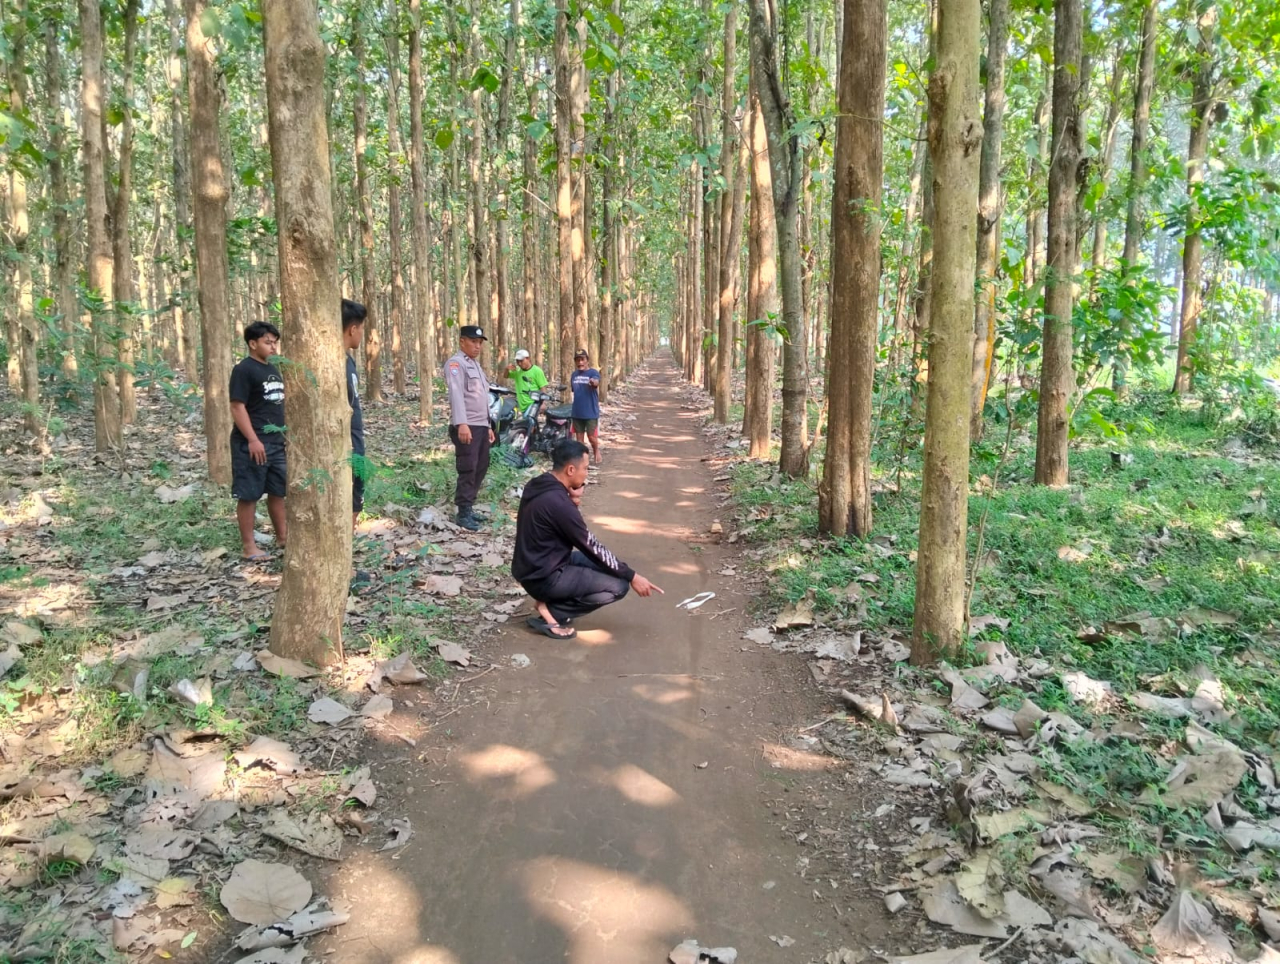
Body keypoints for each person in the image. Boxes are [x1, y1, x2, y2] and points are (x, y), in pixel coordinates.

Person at [512, 438, 663, 638]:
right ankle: (552, 612)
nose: (587, 473)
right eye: (585, 468)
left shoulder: (538, 484)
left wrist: (572, 499)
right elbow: (590, 546)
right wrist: (633, 576)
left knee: (610, 568)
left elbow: (557, 525)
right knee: (619, 586)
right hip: (543, 576)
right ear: (571, 470)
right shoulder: (558, 504)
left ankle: (551, 605)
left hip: (533, 566)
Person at [229, 321, 287, 561]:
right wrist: (253, 439)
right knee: (250, 494)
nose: (272, 347)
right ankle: (249, 546)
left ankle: (283, 538)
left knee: (278, 491)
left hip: (276, 442)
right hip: (252, 444)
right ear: (253, 344)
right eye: (267, 342)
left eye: (275, 342)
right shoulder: (244, 370)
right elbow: (237, 406)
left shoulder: (273, 368)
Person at [444, 324, 496, 532]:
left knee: (481, 465)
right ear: (462, 341)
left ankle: (470, 506)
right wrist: (461, 424)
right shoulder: (456, 364)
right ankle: (463, 511)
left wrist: (488, 424)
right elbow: (456, 395)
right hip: (467, 425)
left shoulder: (475, 366)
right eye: (473, 342)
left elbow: (481, 398)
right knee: (468, 467)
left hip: (480, 425)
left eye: (479, 343)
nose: (477, 346)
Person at [342, 299, 367, 530]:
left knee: (356, 488)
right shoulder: (335, 363)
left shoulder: (348, 360)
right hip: (345, 441)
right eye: (361, 329)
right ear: (353, 329)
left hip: (354, 436)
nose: (361, 335)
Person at [570, 349, 602, 465]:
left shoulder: (593, 373)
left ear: (587, 360)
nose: (580, 362)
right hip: (577, 412)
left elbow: (596, 382)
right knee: (579, 440)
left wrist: (593, 382)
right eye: (578, 360)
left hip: (591, 412)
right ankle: (582, 460)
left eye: (582, 359)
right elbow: (574, 390)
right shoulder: (573, 375)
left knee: (591, 437)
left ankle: (596, 450)